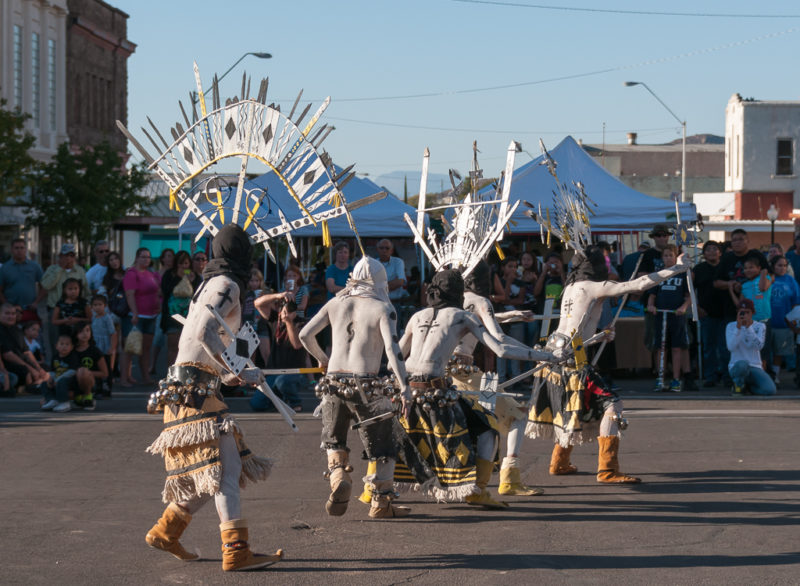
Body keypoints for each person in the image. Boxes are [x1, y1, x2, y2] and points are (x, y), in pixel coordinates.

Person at [144, 224, 281, 572]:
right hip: (193, 390)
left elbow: (198, 344)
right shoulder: (227, 286)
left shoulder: (208, 286)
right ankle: (235, 550)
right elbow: (204, 331)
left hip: (192, 387)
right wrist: (235, 369)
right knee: (224, 471)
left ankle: (167, 530)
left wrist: (234, 373)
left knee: (223, 472)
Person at [527, 245, 693, 484]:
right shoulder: (595, 286)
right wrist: (676, 268)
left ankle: (559, 461)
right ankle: (607, 470)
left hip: (557, 354)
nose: (607, 266)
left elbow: (577, 325)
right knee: (613, 405)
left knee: (571, 407)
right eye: (604, 262)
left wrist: (599, 335)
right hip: (571, 359)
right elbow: (638, 285)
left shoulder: (571, 287)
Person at [399, 270, 555, 508]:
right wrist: (545, 356)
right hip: (460, 380)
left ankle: (374, 491)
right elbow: (500, 344)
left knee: (393, 436)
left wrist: (396, 386)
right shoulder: (469, 310)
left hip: (411, 387)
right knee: (498, 422)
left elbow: (396, 355)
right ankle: (493, 484)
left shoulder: (418, 315)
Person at [300, 257, 413, 519]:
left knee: (334, 439)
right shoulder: (384, 308)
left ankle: (339, 475)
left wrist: (323, 359)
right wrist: (404, 386)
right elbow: (392, 351)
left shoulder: (335, 302)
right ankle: (381, 503)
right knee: (385, 445)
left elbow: (306, 334)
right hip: (367, 384)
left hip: (333, 380)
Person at [646, 244, 691, 392]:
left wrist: (683, 307)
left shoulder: (682, 273)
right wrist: (651, 306)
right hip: (661, 314)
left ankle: (676, 379)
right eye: (665, 256)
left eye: (670, 255)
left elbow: (689, 297)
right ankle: (661, 378)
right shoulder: (658, 274)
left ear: (675, 256)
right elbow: (652, 295)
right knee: (661, 348)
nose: (668, 258)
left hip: (676, 315)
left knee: (677, 347)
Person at [41, 243, 89, 363]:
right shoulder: (52, 269)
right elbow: (46, 285)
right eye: (65, 255)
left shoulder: (79, 270)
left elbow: (85, 291)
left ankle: (75, 367)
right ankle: (56, 367)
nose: (68, 258)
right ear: (60, 256)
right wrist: (59, 269)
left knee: (76, 341)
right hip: (56, 311)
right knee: (57, 342)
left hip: (76, 312)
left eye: (71, 255)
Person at [120, 247, 161, 386]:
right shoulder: (132, 273)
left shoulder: (151, 274)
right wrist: (135, 313)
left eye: (148, 257)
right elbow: (129, 294)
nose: (146, 259)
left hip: (151, 316)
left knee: (146, 349)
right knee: (130, 348)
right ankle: (124, 378)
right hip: (136, 316)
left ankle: (146, 377)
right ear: (137, 258)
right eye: (143, 257)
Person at [714, 229, 768, 324]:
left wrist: (762, 286)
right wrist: (731, 284)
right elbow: (716, 283)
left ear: (748, 241)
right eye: (734, 240)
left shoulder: (757, 255)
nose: (737, 243)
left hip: (757, 313)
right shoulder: (726, 258)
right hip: (731, 310)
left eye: (741, 239)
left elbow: (770, 274)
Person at [694, 241, 728, 387]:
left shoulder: (726, 267)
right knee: (708, 347)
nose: (712, 252)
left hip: (726, 313)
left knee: (725, 347)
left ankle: (727, 376)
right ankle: (710, 376)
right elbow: (689, 291)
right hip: (706, 314)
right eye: (708, 249)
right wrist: (697, 308)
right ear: (704, 253)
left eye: (715, 249)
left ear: (720, 252)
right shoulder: (699, 269)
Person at [727, 298, 776, 396]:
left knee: (770, 390)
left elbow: (759, 346)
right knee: (742, 364)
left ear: (752, 313)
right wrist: (739, 328)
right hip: (737, 366)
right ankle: (738, 385)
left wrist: (749, 328)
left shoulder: (760, 326)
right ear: (737, 312)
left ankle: (748, 388)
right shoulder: (730, 326)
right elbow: (731, 347)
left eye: (747, 312)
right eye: (741, 312)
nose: (744, 315)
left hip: (754, 366)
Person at [160, 251, 200, 366]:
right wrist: (178, 277)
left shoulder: (192, 275)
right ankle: (171, 373)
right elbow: (165, 291)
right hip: (172, 317)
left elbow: (198, 294)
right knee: (173, 346)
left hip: (189, 318)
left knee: (188, 348)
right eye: (180, 263)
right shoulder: (170, 274)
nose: (183, 266)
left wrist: (192, 281)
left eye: (186, 263)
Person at [766, 255, 800, 382]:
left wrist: (793, 322)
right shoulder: (768, 279)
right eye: (779, 265)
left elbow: (796, 302)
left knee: (778, 352)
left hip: (783, 324)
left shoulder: (791, 281)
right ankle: (765, 375)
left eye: (785, 265)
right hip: (767, 322)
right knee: (764, 352)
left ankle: (775, 376)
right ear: (773, 266)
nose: (782, 268)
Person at [492, 257, 526, 383]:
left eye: (515, 266)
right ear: (503, 268)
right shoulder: (498, 281)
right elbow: (504, 297)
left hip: (517, 320)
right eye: (510, 266)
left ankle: (516, 379)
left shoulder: (520, 282)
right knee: (501, 348)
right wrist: (507, 283)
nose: (513, 269)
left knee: (516, 349)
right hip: (501, 319)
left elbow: (520, 300)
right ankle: (501, 379)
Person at [0, 302, 49, 388]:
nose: (10, 316)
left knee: (45, 368)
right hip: (8, 364)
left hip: (22, 361)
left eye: (13, 314)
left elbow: (27, 352)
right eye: (7, 313)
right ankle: (32, 386)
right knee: (25, 371)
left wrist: (38, 368)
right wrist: (31, 368)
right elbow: (8, 355)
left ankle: (37, 384)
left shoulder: (17, 330)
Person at [0, 238, 45, 322]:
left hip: (30, 309)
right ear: (12, 250)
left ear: (25, 249)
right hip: (12, 311)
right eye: (16, 248)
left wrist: (36, 302)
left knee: (32, 333)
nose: (19, 250)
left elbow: (44, 286)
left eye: (22, 248)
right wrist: (6, 304)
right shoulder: (5, 268)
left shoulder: (34, 266)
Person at [38, 332, 77, 413]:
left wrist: (58, 379)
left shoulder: (72, 356)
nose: (64, 346)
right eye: (61, 344)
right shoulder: (55, 357)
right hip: (56, 380)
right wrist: (51, 379)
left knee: (62, 382)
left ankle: (64, 402)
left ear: (72, 347)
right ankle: (52, 400)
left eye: (67, 344)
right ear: (56, 346)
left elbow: (72, 371)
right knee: (44, 384)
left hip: (68, 381)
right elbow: (53, 371)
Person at [72, 323, 108, 410]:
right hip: (74, 380)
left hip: (91, 381)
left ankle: (89, 396)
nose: (85, 334)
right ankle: (77, 398)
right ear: (76, 334)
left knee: (82, 372)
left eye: (87, 330)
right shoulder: (71, 350)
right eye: (81, 331)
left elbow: (104, 373)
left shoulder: (95, 351)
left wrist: (86, 373)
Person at [90, 294, 116, 396]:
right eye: (95, 305)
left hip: (105, 347)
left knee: (107, 368)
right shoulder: (93, 318)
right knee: (97, 367)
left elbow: (113, 333)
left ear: (105, 306)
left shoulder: (107, 318)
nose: (97, 307)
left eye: (100, 304)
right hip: (96, 346)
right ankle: (98, 388)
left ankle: (107, 388)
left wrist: (112, 347)